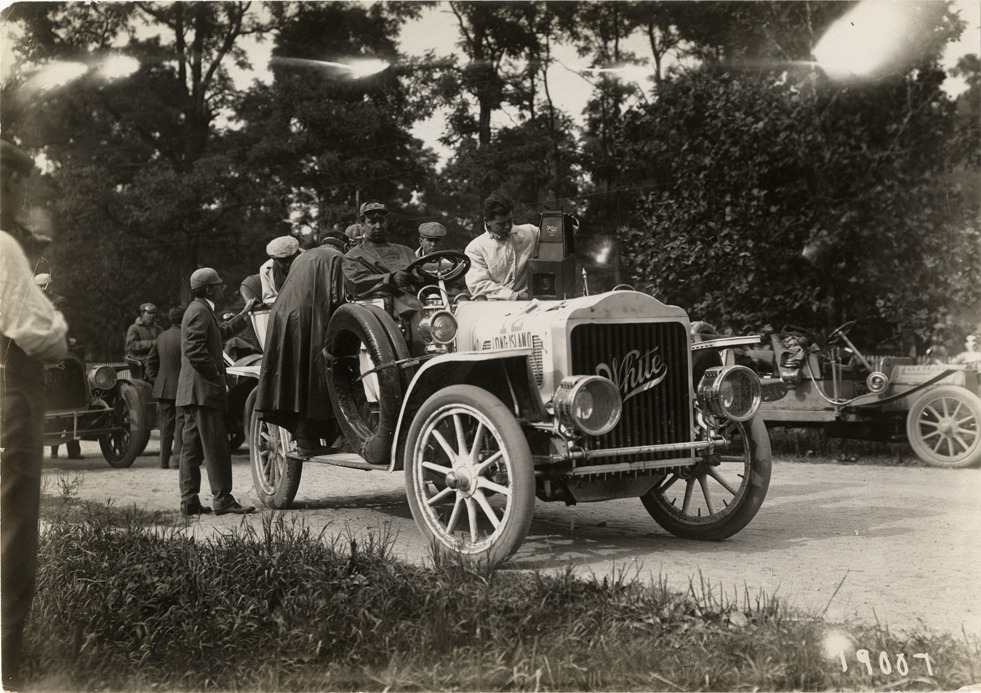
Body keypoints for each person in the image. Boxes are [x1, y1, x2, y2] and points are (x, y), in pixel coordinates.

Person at [1, 139, 69, 690]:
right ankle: (6, 670)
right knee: (11, 532)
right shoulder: (3, 247)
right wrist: (58, 328)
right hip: (8, 398)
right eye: (13, 184)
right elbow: (42, 335)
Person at [257, 231, 348, 457]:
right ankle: (320, 436)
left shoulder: (304, 258)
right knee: (313, 377)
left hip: (281, 318)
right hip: (306, 319)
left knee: (296, 379)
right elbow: (338, 299)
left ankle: (306, 440)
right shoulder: (337, 258)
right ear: (343, 246)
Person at [177, 268, 256, 516]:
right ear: (209, 289)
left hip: (192, 392)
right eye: (219, 285)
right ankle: (222, 499)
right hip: (203, 391)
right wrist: (216, 374)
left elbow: (219, 334)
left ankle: (189, 501)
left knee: (191, 449)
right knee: (216, 447)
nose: (222, 288)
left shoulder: (199, 309)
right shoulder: (200, 311)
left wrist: (244, 314)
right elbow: (194, 349)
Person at [342, 201, 426, 322]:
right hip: (389, 308)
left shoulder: (406, 251)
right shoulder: (353, 256)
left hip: (421, 299)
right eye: (372, 222)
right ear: (363, 224)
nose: (378, 226)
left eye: (381, 221)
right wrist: (390, 279)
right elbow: (356, 282)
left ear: (386, 222)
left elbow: (422, 273)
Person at [35, 273, 82, 459]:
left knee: (69, 398)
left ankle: (73, 450)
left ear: (48, 286)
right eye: (38, 287)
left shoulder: (59, 301)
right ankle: (53, 449)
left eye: (42, 286)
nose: (40, 290)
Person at [465, 192, 540, 299]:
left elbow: (557, 236)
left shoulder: (531, 232)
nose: (507, 226)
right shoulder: (475, 248)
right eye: (501, 224)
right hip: (495, 305)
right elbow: (479, 285)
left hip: (531, 301)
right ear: (487, 221)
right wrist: (515, 296)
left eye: (510, 221)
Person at [147, 306, 186, 470]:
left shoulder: (161, 337)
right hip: (182, 387)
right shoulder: (185, 336)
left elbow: (150, 362)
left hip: (163, 389)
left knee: (165, 427)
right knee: (181, 424)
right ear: (183, 319)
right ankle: (177, 460)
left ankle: (163, 462)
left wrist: (156, 380)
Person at [259, 235, 301, 305]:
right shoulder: (266, 270)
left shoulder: (311, 260)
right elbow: (268, 298)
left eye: (291, 259)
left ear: (297, 253)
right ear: (274, 259)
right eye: (283, 262)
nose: (288, 264)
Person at [125, 302, 161, 375]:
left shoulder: (159, 329)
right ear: (142, 314)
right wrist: (151, 343)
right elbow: (131, 345)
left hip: (156, 361)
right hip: (141, 362)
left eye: (153, 313)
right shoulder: (134, 328)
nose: (152, 315)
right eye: (149, 313)